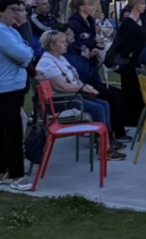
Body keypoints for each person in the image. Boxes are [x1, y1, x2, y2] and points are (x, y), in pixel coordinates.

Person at [35, 30, 127, 160]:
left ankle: (105, 141)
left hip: (72, 97)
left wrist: (86, 87)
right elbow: (62, 87)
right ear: (52, 46)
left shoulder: (60, 58)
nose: (66, 44)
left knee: (104, 104)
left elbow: (75, 78)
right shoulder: (47, 63)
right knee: (97, 108)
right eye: (62, 42)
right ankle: (105, 149)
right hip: (60, 102)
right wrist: (83, 88)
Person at [0, 0, 34, 190]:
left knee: (6, 130)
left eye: (19, 9)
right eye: (13, 9)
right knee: (13, 132)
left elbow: (27, 51)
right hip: (4, 89)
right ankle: (17, 176)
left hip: (13, 87)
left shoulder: (11, 30)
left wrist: (24, 55)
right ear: (0, 11)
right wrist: (24, 55)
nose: (17, 13)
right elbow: (22, 54)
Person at [55, 23, 131, 142]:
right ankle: (109, 135)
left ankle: (114, 131)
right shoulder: (64, 55)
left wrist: (89, 57)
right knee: (111, 98)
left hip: (86, 83)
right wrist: (85, 58)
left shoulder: (72, 49)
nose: (73, 34)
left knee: (118, 94)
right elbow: (80, 72)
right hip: (79, 90)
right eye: (69, 33)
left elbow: (78, 73)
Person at [111, 0, 146, 126]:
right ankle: (130, 119)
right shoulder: (127, 23)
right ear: (135, 5)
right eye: (142, 4)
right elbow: (121, 43)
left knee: (140, 90)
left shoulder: (141, 20)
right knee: (131, 90)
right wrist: (131, 54)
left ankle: (140, 118)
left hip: (140, 60)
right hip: (130, 63)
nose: (144, 6)